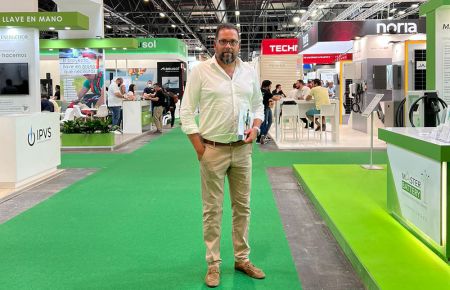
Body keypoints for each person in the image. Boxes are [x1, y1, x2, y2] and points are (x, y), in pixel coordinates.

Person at [180, 23, 265, 288]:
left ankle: (242, 259)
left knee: (243, 208)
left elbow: (258, 105)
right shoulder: (201, 72)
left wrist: (256, 126)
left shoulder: (248, 72)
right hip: (212, 150)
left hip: (242, 151)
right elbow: (186, 111)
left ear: (239, 45)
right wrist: (199, 149)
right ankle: (213, 264)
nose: (229, 46)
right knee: (212, 210)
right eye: (224, 41)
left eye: (233, 42)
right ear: (214, 43)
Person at [259, 80, 280, 144]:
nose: (271, 87)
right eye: (270, 85)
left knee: (269, 121)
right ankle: (261, 137)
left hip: (265, 107)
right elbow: (275, 98)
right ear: (267, 86)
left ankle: (264, 135)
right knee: (265, 122)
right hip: (265, 108)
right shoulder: (266, 92)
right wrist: (279, 97)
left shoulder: (260, 90)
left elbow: (266, 98)